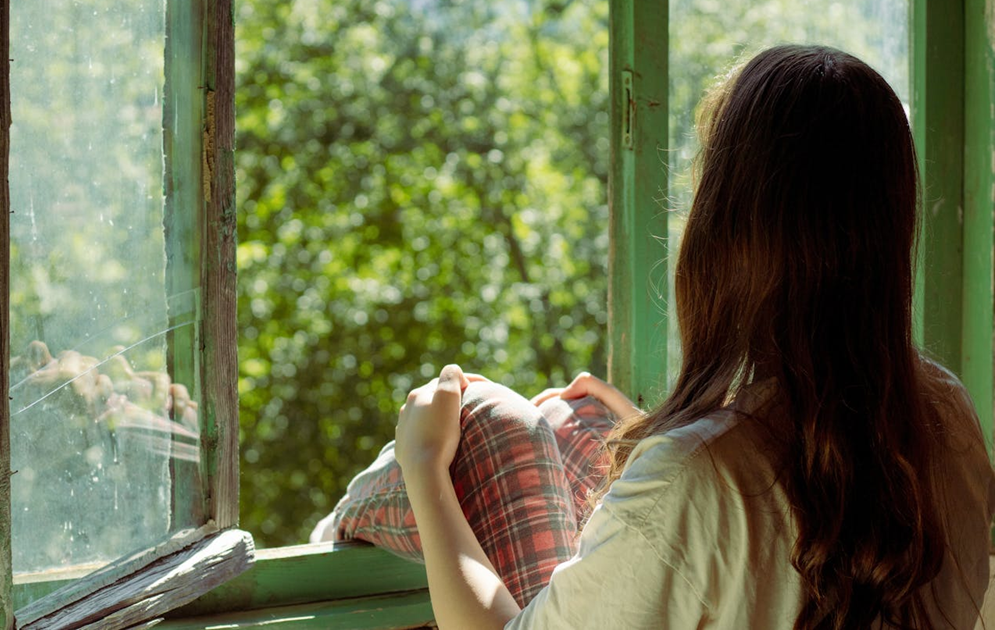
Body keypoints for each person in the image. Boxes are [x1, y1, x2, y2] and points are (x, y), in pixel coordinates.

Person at [312, 45, 995, 628]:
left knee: (498, 424)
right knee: (570, 429)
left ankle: (334, 530)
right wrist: (679, 439)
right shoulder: (944, 417)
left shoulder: (697, 483)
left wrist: (426, 465)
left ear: (727, 234)